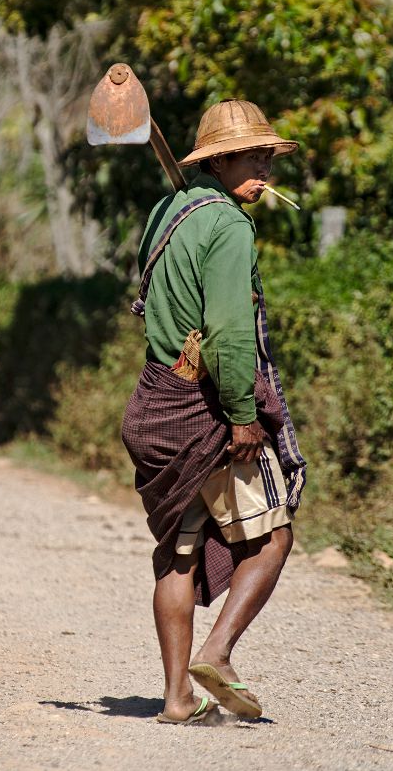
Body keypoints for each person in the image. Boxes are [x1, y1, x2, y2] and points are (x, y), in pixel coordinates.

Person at [121, 99, 306, 725]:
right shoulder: (228, 225)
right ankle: (219, 654)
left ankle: (177, 699)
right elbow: (229, 335)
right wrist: (244, 416)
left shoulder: (167, 211)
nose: (266, 173)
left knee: (179, 550)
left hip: (155, 401)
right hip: (205, 407)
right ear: (220, 161)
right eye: (255, 158)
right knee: (273, 535)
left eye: (267, 158)